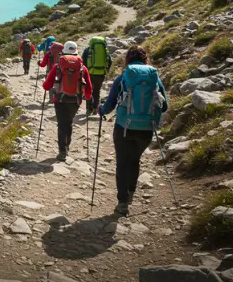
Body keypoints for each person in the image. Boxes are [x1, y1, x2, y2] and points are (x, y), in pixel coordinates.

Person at [98, 46, 168, 216]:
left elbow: (110, 105)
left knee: (122, 163)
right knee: (134, 160)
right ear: (146, 59)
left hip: (124, 127)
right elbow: (164, 106)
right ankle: (130, 193)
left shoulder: (123, 78)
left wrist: (101, 110)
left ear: (128, 59)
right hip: (146, 128)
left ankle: (122, 203)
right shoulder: (154, 79)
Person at [42, 41, 92, 161]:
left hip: (60, 99)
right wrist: (88, 97)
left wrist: (49, 86)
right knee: (69, 122)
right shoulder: (82, 68)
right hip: (76, 100)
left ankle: (62, 151)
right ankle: (67, 146)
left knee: (62, 124)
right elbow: (89, 87)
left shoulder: (57, 66)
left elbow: (46, 86)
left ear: (63, 51)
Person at [82, 37, 112, 116]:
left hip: (90, 73)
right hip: (101, 73)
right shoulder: (105, 51)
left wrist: (85, 72)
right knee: (97, 91)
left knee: (88, 90)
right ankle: (96, 108)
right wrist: (106, 70)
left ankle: (89, 109)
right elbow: (110, 61)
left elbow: (83, 62)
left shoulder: (87, 50)